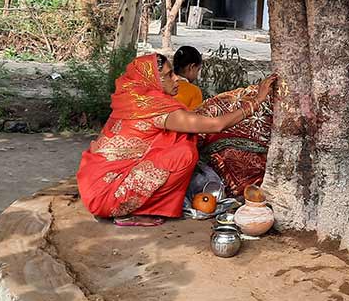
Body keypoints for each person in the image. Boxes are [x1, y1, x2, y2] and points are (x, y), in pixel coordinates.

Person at [76, 53, 275, 226]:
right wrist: (256, 101)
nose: (176, 79)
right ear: (153, 80)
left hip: (95, 184)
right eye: (168, 75)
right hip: (107, 195)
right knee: (184, 154)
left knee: (181, 140)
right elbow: (216, 125)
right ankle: (131, 211)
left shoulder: (133, 98)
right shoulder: (155, 110)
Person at [173, 46, 204, 110]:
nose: (197, 74)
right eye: (198, 69)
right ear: (191, 67)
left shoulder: (163, 85)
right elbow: (195, 118)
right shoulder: (194, 91)